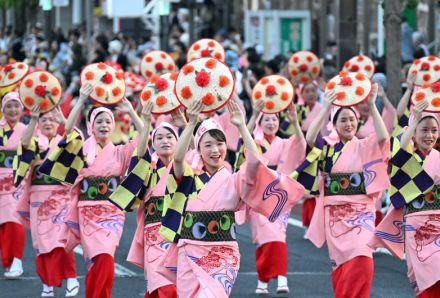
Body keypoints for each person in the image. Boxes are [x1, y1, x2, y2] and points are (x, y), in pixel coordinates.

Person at [158, 96, 305, 297]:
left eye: (220, 144)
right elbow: (178, 158)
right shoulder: (188, 177)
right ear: (199, 149)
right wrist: (191, 123)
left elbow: (254, 161)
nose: (215, 150)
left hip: (223, 253)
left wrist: (243, 126)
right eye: (208, 145)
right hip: (189, 250)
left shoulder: (234, 178)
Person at [39, 83, 143, 298]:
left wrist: (131, 111)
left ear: (113, 125)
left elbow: (144, 138)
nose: (104, 125)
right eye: (99, 121)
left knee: (106, 256)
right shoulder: (83, 148)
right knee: (95, 260)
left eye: (108, 121)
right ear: (90, 126)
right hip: (87, 211)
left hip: (113, 212)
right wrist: (80, 100)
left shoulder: (121, 151)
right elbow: (68, 131)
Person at [295, 84, 390, 298]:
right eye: (343, 120)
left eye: (352, 119)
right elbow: (309, 139)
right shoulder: (327, 147)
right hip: (335, 216)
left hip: (362, 213)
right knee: (341, 269)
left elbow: (384, 137)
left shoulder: (365, 144)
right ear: (334, 124)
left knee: (363, 261)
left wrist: (373, 106)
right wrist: (326, 105)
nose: (348, 124)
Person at [109, 101, 185, 298]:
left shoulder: (185, 167)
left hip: (178, 233)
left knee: (174, 287)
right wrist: (139, 117)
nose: (165, 141)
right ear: (153, 144)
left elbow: (193, 150)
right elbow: (141, 151)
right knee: (163, 285)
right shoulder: (148, 168)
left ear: (178, 142)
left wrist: (187, 124)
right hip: (153, 234)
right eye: (159, 138)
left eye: (170, 137)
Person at [235, 100, 306, 295]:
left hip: (279, 194)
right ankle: (264, 279)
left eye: (274, 119)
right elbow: (242, 145)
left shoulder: (283, 143)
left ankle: (276, 278)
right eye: (266, 119)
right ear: (259, 122)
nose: (271, 123)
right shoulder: (254, 141)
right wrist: (252, 114)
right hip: (259, 194)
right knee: (263, 237)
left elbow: (300, 146)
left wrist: (295, 122)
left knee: (277, 236)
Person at [372, 100, 440, 297]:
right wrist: (414, 119)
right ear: (413, 131)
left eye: (434, 130)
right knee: (422, 276)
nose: (430, 135)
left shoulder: (437, 156)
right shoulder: (406, 156)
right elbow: (401, 151)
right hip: (415, 223)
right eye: (424, 130)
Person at [14, 105, 80, 297]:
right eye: (44, 120)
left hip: (62, 199)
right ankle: (47, 285)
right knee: (41, 244)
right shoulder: (35, 143)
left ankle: (71, 278)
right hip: (39, 200)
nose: (48, 123)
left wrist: (64, 121)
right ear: (39, 124)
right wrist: (33, 119)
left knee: (62, 241)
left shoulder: (65, 142)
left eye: (52, 119)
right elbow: (23, 146)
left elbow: (80, 142)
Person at [0, 92, 25, 279]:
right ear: (3, 109)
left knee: (14, 220)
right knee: (3, 224)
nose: (13, 109)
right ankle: (8, 261)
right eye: (9, 106)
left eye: (16, 105)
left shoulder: (27, 129)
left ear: (22, 109)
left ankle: (17, 260)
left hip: (18, 181)